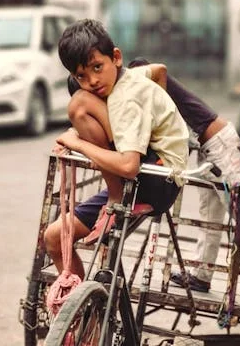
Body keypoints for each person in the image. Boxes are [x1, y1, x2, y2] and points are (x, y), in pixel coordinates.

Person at [114, 58, 240, 307]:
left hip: (218, 144)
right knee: (209, 214)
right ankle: (202, 274)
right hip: (204, 147)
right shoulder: (144, 90)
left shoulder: (151, 84)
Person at [44, 19, 189, 282]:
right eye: (81, 76)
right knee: (53, 238)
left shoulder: (126, 98)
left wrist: (78, 143)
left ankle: (115, 198)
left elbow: (128, 166)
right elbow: (160, 70)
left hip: (156, 176)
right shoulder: (126, 78)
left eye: (97, 67)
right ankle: (85, 315)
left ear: (117, 58)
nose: (93, 81)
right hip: (144, 177)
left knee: (79, 104)